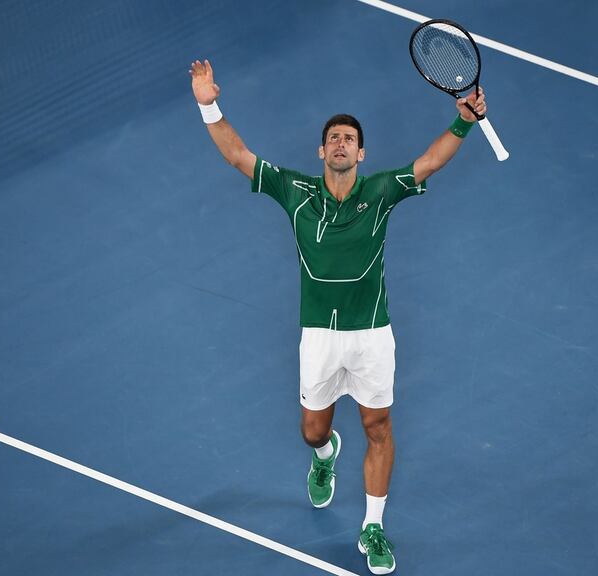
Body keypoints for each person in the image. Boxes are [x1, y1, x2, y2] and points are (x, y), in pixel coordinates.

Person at [190, 58, 486, 575]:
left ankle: (372, 526)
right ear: (322, 151)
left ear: (361, 152)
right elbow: (238, 155)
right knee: (311, 431)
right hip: (320, 338)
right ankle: (325, 456)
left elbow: (430, 162)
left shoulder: (381, 191)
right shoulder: (295, 192)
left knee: (378, 425)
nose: (342, 143)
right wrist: (207, 103)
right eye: (334, 138)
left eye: (349, 137)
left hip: (372, 335)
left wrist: (464, 120)